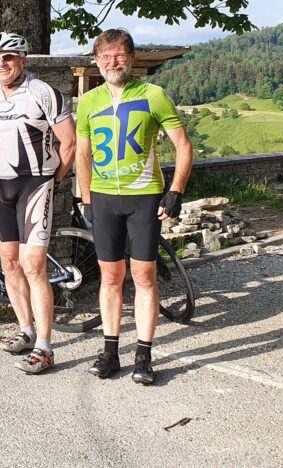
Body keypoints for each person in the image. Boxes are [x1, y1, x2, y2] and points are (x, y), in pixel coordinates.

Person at [74, 29, 192, 385]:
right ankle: (110, 352)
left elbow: (183, 145)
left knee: (143, 275)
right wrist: (86, 198)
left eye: (119, 55)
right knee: (110, 277)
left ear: (131, 58)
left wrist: (175, 191)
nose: (113, 62)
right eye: (105, 56)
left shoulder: (153, 95)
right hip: (104, 199)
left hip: (143, 198)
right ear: (96, 61)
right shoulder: (89, 101)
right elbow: (82, 154)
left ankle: (143, 355)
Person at [0, 32, 77, 374]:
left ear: (23, 59)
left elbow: (69, 143)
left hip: (34, 184)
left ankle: (45, 347)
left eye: (8, 57)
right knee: (9, 263)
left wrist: (54, 180)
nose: (1, 64)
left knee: (34, 265)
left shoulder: (42, 92)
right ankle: (26, 329)